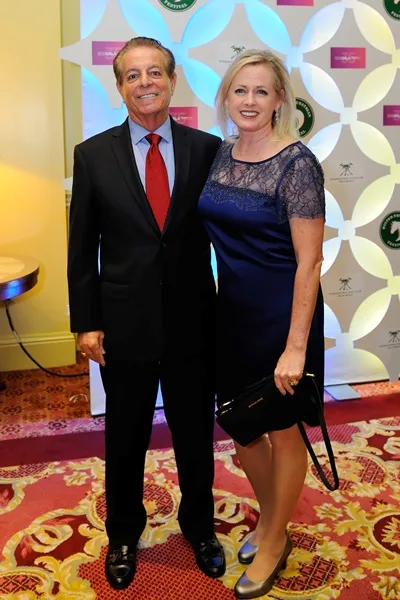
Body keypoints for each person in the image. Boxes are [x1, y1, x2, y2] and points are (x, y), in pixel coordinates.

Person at [67, 37, 225, 591]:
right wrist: (86, 321)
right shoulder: (92, 155)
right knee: (125, 436)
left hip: (192, 322)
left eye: (154, 72)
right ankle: (123, 534)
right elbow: (82, 247)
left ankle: (200, 528)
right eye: (132, 75)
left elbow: (227, 234)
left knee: (194, 434)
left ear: (173, 80)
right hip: (124, 325)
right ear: (119, 87)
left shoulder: (208, 149)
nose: (145, 83)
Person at [199, 49, 325, 599]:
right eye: (240, 90)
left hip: (282, 317)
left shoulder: (298, 165)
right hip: (232, 315)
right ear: (226, 96)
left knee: (281, 428)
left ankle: (273, 538)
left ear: (279, 101)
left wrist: (295, 347)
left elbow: (310, 262)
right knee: (241, 425)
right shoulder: (220, 154)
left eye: (261, 91)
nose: (249, 101)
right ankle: (275, 519)